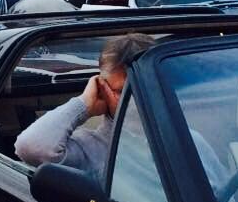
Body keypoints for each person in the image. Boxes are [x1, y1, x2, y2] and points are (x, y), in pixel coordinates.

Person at [16, 34, 155, 178]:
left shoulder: (176, 121)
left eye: (146, 87)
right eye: (123, 91)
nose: (136, 98)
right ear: (102, 89)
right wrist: (84, 103)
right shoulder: (93, 148)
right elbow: (30, 146)